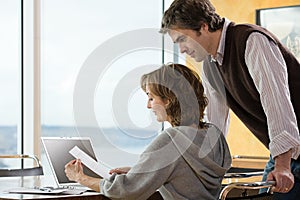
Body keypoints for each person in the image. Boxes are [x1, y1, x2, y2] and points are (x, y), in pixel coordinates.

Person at [161, 0, 300, 199]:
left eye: (183, 39)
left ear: (203, 26)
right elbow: (214, 127)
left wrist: (282, 165)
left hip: (288, 154)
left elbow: (277, 105)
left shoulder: (252, 41)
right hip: (287, 153)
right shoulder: (210, 64)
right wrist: (153, 168)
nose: (181, 49)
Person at [65, 63, 231, 199]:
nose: (148, 105)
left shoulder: (171, 139)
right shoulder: (214, 135)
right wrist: (142, 171)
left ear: (168, 100)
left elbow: (126, 191)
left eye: (151, 98)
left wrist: (81, 178)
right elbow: (187, 176)